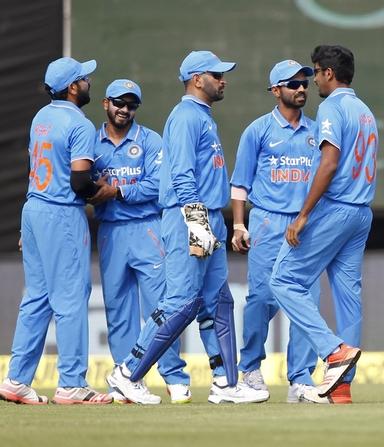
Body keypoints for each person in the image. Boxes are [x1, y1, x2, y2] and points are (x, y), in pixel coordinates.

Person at [106, 51, 268, 404]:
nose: (223, 80)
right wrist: (196, 222)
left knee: (218, 301)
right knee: (180, 301)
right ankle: (127, 373)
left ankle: (226, 383)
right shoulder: (184, 116)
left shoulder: (202, 116)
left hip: (210, 217)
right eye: (217, 74)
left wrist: (210, 222)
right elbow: (180, 174)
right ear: (197, 79)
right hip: (188, 218)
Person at [269, 45, 378, 403]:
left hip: (336, 208)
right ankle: (342, 387)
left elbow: (329, 163)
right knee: (348, 298)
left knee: (284, 280)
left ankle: (333, 351)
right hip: (362, 212)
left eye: (315, 72)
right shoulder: (364, 110)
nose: (313, 80)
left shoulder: (332, 107)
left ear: (329, 73)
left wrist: (303, 215)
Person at [0, 57, 111, 405]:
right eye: (84, 78)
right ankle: (72, 384)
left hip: (33, 210)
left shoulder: (41, 117)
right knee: (71, 299)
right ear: (73, 87)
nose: (89, 81)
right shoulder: (78, 123)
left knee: (36, 298)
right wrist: (102, 190)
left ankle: (17, 380)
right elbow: (79, 181)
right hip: (62, 213)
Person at [89, 79, 190, 404]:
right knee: (118, 310)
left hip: (148, 230)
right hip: (111, 232)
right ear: (106, 103)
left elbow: (158, 187)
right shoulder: (92, 142)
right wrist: (94, 190)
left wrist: (117, 190)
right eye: (119, 103)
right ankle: (128, 379)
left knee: (161, 307)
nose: (125, 110)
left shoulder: (151, 141)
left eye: (132, 104)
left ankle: (174, 377)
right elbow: (82, 182)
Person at [230, 60, 322, 402]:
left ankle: (300, 378)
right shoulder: (258, 131)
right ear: (275, 90)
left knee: (307, 302)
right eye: (293, 84)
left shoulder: (316, 131)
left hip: (305, 225)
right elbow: (240, 184)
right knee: (261, 298)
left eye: (304, 84)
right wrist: (239, 224)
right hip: (268, 221)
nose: (301, 89)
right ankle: (251, 370)